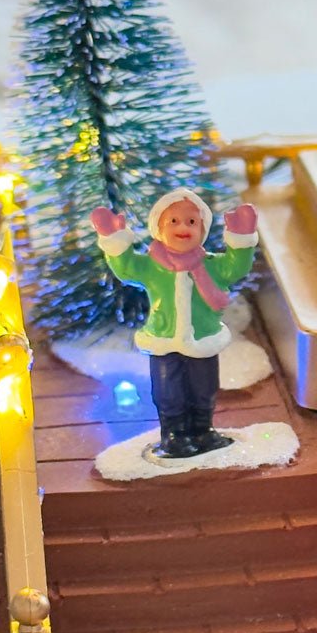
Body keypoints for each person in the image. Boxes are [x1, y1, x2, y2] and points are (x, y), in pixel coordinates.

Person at [90, 188, 258, 459]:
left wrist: (241, 239)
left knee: (204, 388)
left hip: (202, 339)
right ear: (159, 228)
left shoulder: (211, 266)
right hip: (164, 341)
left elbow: (235, 268)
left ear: (202, 229)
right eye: (174, 221)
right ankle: (174, 435)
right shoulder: (151, 266)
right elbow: (126, 268)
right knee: (168, 392)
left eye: (191, 222)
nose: (183, 228)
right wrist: (114, 240)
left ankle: (203, 430)